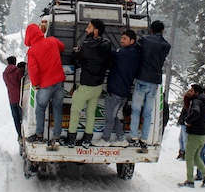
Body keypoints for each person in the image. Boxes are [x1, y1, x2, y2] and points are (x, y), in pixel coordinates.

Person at [67, 19, 112, 148]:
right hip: (98, 86)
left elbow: (77, 56)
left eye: (89, 27)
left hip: (86, 86)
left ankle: (71, 139)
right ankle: (87, 139)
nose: (86, 29)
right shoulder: (107, 44)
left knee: (75, 111)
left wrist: (77, 50)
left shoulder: (87, 46)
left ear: (96, 31)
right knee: (91, 112)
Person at [129, 20, 171, 151]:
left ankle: (134, 137)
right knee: (147, 112)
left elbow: (136, 52)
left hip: (142, 77)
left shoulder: (144, 40)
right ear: (162, 30)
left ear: (151, 29)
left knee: (136, 109)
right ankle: (144, 139)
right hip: (155, 81)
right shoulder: (166, 45)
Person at [92, 30, 139, 147]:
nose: (121, 41)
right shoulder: (137, 54)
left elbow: (109, 54)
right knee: (113, 116)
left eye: (124, 39)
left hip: (116, 91)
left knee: (109, 117)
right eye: (121, 38)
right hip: (124, 91)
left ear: (132, 41)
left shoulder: (122, 53)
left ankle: (106, 139)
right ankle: (121, 138)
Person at [24, 23, 66, 144]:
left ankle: (39, 135)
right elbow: (62, 47)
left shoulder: (32, 51)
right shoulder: (52, 41)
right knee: (58, 109)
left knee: (40, 108)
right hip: (59, 82)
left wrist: (36, 83)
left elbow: (33, 69)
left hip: (45, 85)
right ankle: (57, 137)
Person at [177, 84, 205, 188]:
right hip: (202, 135)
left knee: (189, 157)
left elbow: (196, 112)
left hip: (195, 134)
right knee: (197, 157)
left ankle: (190, 180)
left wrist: (187, 120)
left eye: (191, 91)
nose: (189, 92)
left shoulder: (196, 101)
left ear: (196, 92)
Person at [2, 56, 25, 142]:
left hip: (11, 99)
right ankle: (24, 134)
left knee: (16, 118)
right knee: (23, 118)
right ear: (15, 62)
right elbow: (22, 82)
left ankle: (19, 135)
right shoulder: (18, 72)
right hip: (21, 99)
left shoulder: (4, 74)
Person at [176, 91, 190, 160]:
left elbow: (185, 114)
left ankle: (185, 152)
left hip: (185, 124)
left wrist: (184, 120)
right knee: (180, 139)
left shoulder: (188, 105)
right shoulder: (185, 105)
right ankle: (181, 151)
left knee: (185, 139)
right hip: (183, 123)